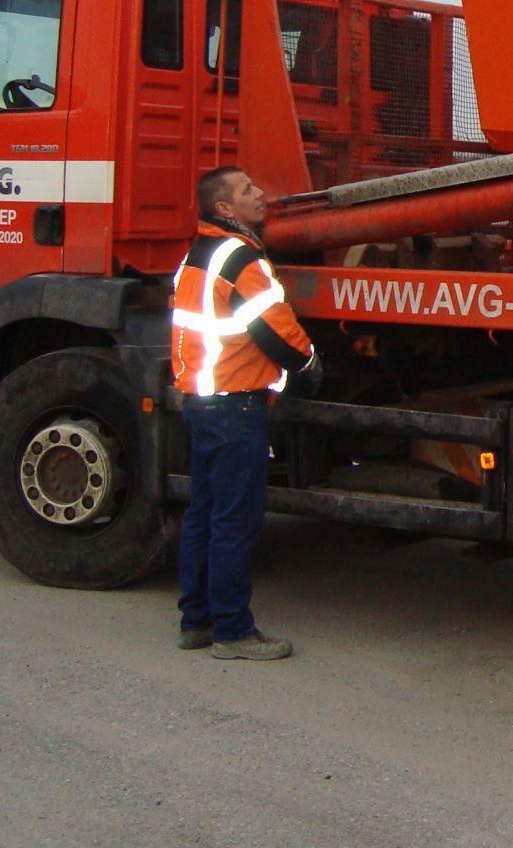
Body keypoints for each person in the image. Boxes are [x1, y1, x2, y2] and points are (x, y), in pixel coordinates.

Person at [170, 165, 317, 660]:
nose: (261, 193)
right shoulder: (241, 258)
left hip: (203, 402)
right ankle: (233, 632)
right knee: (234, 521)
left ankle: (197, 622)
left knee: (204, 515)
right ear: (225, 209)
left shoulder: (198, 255)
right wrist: (311, 363)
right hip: (235, 406)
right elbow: (275, 328)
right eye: (247, 190)